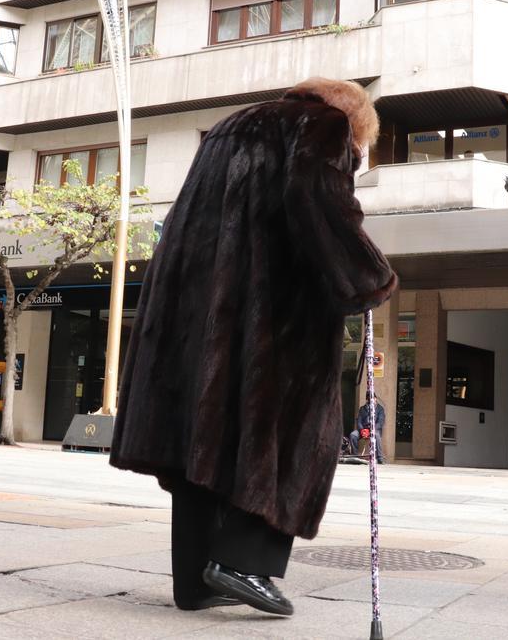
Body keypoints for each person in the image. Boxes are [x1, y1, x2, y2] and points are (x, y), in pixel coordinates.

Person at [108, 77, 397, 616]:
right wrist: (368, 277)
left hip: (198, 304)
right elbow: (319, 200)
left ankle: (196, 580)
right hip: (273, 311)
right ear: (354, 123)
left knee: (205, 438)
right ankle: (244, 560)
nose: (354, 159)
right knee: (291, 432)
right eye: (359, 153)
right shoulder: (322, 125)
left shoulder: (227, 128)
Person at [349, 395, 385, 464]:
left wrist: (372, 430)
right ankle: (355, 456)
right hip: (363, 429)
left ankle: (380, 457)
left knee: (376, 435)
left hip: (374, 429)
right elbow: (359, 421)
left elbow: (380, 422)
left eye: (373, 398)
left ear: (375, 399)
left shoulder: (380, 409)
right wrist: (362, 430)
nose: (371, 400)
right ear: (367, 400)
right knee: (353, 435)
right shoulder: (362, 408)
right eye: (369, 399)